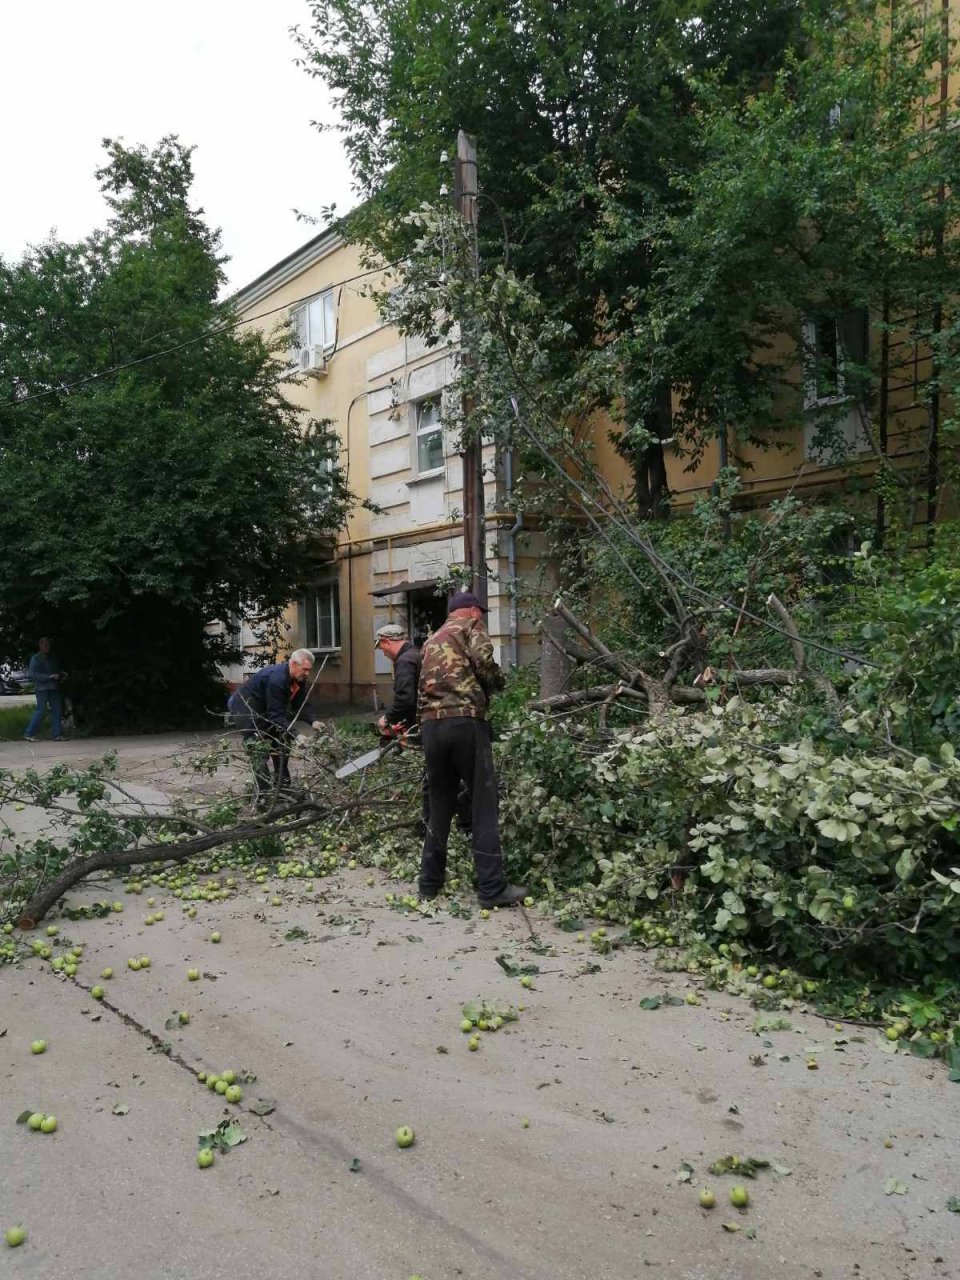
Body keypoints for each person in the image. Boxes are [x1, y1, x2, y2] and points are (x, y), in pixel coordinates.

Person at [417, 591, 527, 907]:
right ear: (471, 611)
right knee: (483, 804)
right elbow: (484, 663)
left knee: (439, 807)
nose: (482, 616)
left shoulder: (432, 639)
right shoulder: (470, 627)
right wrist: (499, 684)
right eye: (481, 611)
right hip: (464, 723)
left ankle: (428, 885)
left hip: (431, 726)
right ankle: (492, 889)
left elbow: (418, 686)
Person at [227, 649, 318, 803]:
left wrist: (313, 721)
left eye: (309, 670)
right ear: (294, 664)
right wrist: (297, 734)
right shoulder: (277, 679)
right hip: (245, 709)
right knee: (259, 750)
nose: (307, 674)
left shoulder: (298, 678)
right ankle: (264, 796)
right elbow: (276, 716)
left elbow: (301, 703)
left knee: (281, 744)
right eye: (305, 669)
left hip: (265, 709)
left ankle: (283, 787)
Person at [24, 637, 67, 742]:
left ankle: (56, 735)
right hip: (42, 688)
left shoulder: (51, 657)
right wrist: (49, 677)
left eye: (48, 645)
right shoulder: (36, 658)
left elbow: (55, 670)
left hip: (53, 687)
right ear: (40, 645)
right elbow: (32, 674)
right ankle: (29, 733)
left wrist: (61, 674)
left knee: (57, 710)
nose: (47, 647)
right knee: (41, 710)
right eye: (45, 645)